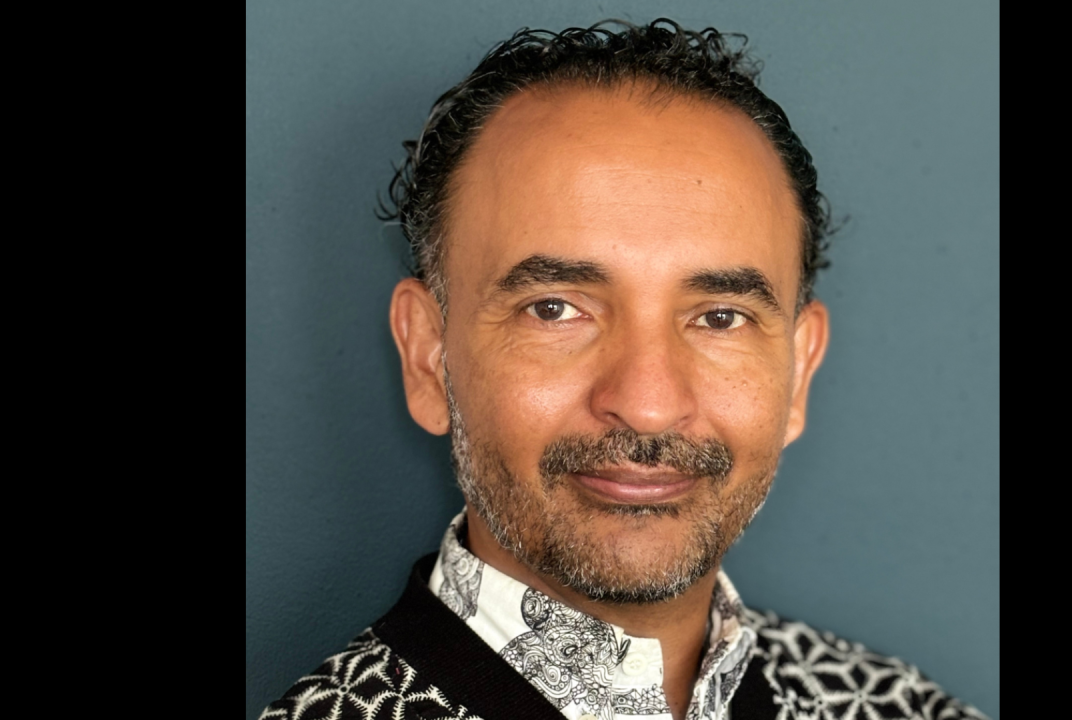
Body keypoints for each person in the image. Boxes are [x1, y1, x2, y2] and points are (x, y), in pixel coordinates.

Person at [260, 19, 987, 720]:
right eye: (554, 309)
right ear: (428, 357)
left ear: (798, 371)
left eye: (720, 316)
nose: (646, 403)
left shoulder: (901, 707)